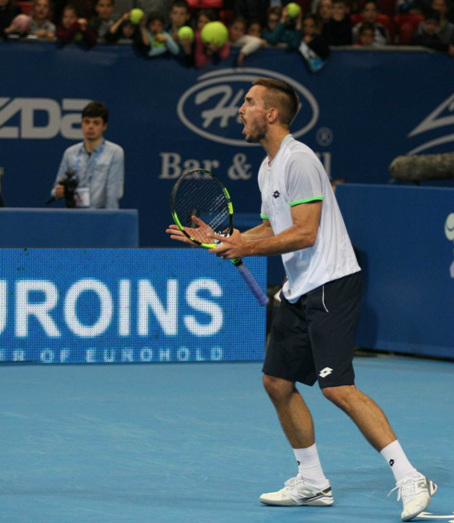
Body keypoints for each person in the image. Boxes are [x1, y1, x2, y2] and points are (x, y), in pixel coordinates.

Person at [166, 78, 438, 522]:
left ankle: (410, 477)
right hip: (298, 288)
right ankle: (312, 482)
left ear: (271, 114)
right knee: (277, 382)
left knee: (338, 389)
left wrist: (246, 249)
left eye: (249, 103)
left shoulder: (300, 160)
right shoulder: (268, 167)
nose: (240, 110)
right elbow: (276, 227)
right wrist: (225, 240)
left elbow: (306, 232)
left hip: (330, 282)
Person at [51, 102, 124, 209]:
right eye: (87, 122)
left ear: (104, 126)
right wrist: (58, 192)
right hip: (74, 215)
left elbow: (113, 192)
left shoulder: (115, 152)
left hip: (101, 216)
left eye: (96, 123)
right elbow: (56, 189)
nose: (90, 127)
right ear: (82, 124)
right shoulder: (70, 153)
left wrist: (110, 220)